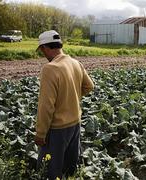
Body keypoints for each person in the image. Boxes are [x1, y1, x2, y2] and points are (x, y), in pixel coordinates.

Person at [34, 30, 94, 179]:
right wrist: (71, 97)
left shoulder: (50, 68)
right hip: (75, 124)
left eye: (42, 51)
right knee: (69, 169)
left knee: (50, 171)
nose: (43, 54)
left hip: (57, 130)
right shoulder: (75, 62)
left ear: (45, 47)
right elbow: (89, 86)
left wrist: (41, 134)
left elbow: (46, 106)